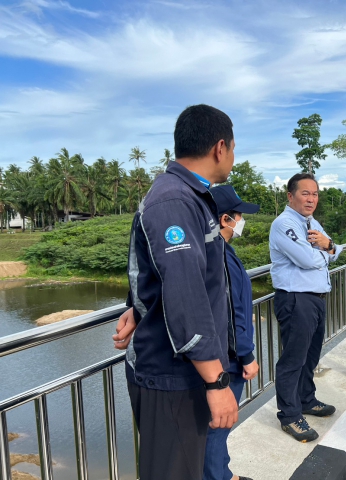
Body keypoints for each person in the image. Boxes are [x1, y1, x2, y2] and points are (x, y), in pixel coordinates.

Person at [115, 104, 238, 480]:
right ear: (220, 147)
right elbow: (186, 297)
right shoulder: (175, 201)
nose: (232, 157)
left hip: (183, 372)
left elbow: (160, 270)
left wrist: (138, 307)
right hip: (171, 375)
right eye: (233, 148)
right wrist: (217, 381)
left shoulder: (187, 195)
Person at [114, 185, 259, 480]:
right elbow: (233, 313)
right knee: (214, 432)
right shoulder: (218, 256)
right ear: (224, 219)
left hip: (216, 357)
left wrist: (138, 309)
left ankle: (224, 473)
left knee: (214, 434)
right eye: (239, 216)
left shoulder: (218, 251)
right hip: (224, 361)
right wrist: (246, 355)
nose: (242, 222)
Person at [269, 173, 343, 442]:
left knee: (310, 357)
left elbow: (336, 249)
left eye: (315, 194)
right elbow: (307, 260)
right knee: (293, 359)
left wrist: (328, 246)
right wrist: (327, 250)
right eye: (305, 193)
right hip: (296, 299)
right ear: (291, 196)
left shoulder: (311, 222)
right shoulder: (284, 223)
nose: (311, 199)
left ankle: (306, 399)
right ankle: (289, 415)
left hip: (316, 298)